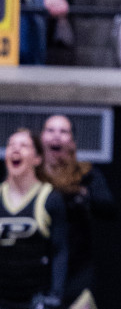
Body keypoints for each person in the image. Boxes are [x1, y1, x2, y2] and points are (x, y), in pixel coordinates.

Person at [40, 114, 117, 309]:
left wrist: (81, 194)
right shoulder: (31, 176)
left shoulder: (86, 174)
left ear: (72, 141)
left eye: (63, 131)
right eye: (50, 130)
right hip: (38, 267)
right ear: (41, 138)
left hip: (77, 267)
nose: (56, 136)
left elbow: (109, 209)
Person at [0, 128, 67, 309]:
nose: (15, 149)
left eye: (23, 146)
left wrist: (56, 293)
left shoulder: (50, 198)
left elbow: (60, 250)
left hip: (35, 298)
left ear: (37, 158)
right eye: (11, 145)